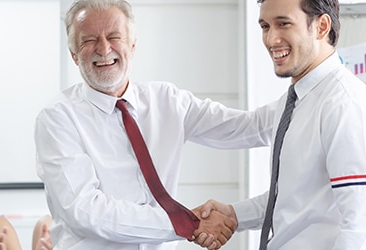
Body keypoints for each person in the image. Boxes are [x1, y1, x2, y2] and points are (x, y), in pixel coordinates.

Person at [34, 0, 280, 249]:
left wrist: (308, 86)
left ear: (132, 45)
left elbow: (251, 128)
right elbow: (85, 212)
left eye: (114, 36)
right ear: (74, 54)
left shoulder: (167, 101)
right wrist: (186, 224)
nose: (104, 48)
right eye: (89, 40)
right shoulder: (57, 118)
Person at [196, 0, 366, 249]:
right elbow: (294, 199)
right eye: (265, 26)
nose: (271, 39)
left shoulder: (346, 105)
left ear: (321, 26)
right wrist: (234, 215)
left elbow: (363, 228)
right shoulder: (292, 103)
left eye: (283, 24)